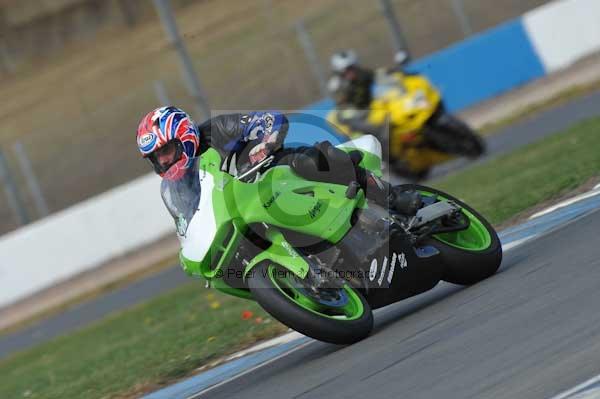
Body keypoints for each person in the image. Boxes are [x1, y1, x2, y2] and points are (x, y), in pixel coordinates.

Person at [136, 106, 421, 219]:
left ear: (182, 135)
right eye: (156, 158)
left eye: (166, 151)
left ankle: (392, 197)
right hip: (250, 206)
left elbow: (270, 120)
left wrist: (265, 145)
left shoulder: (219, 129)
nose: (163, 161)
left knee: (309, 162)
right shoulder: (183, 181)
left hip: (277, 172)